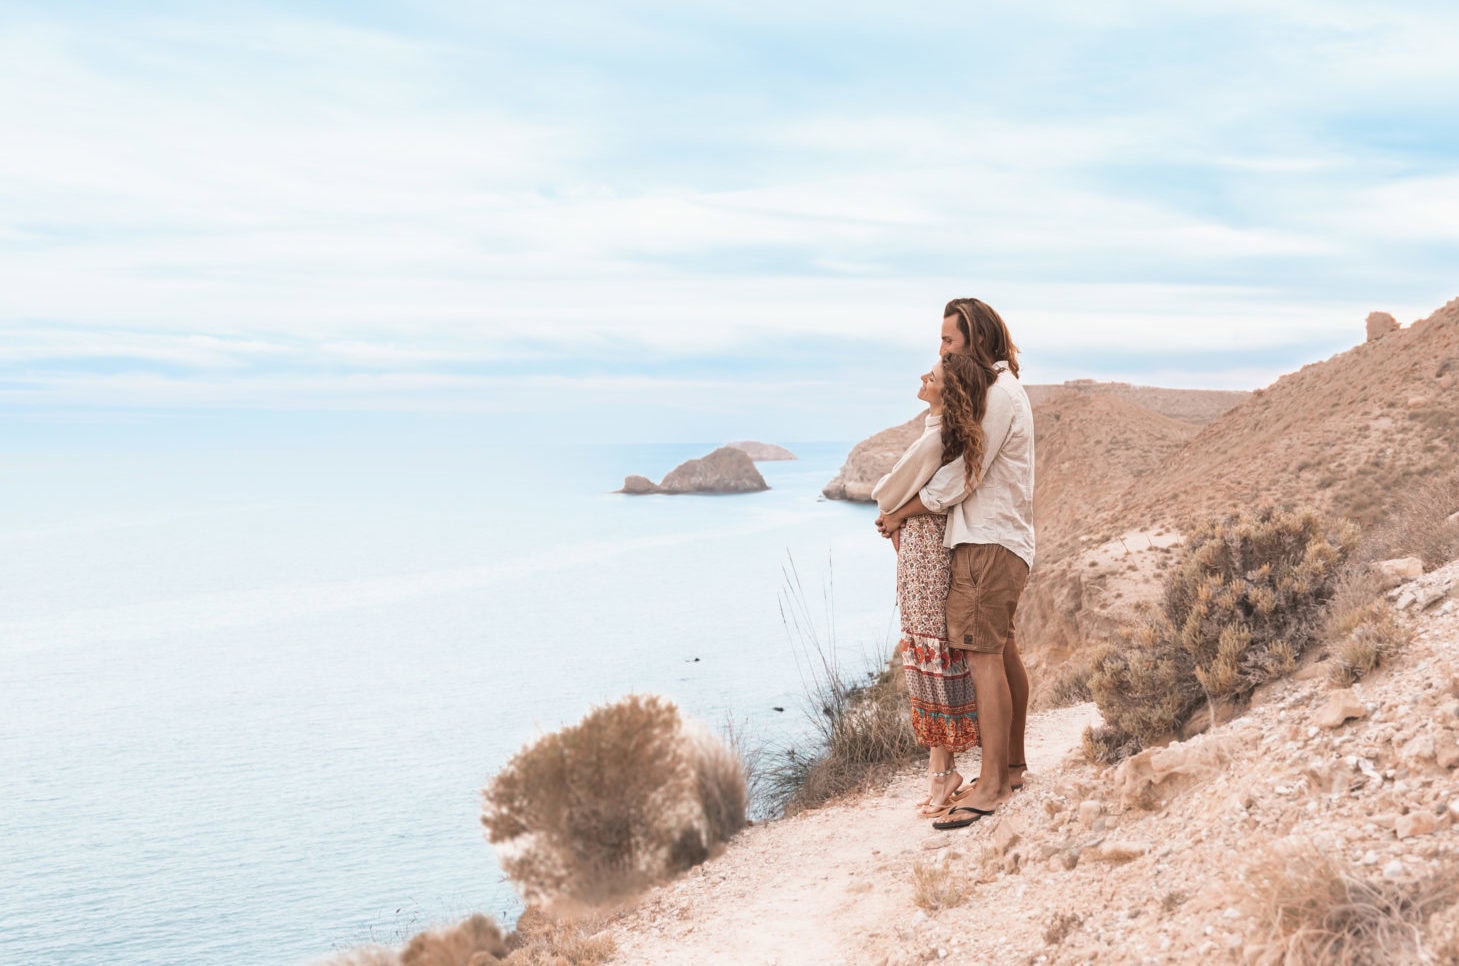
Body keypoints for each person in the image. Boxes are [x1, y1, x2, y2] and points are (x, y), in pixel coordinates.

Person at [878, 299, 1034, 828]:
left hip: (987, 541)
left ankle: (991, 786)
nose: (941, 350)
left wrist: (901, 512)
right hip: (1000, 539)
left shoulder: (999, 395)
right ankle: (1010, 767)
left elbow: (961, 478)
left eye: (948, 341)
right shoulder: (1005, 390)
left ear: (975, 338)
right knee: (1003, 649)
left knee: (982, 657)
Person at [871, 355, 998, 817]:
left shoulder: (936, 439)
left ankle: (944, 778)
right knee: (932, 657)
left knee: (930, 658)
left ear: (950, 391)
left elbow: (884, 492)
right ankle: (941, 775)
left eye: (934, 376)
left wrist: (891, 510)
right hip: (926, 547)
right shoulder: (940, 433)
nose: (924, 377)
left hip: (926, 553)